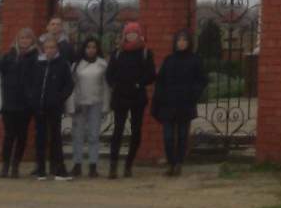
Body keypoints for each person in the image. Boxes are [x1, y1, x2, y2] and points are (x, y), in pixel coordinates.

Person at [150, 29, 206, 177]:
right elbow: (160, 81)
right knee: (168, 137)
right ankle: (170, 163)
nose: (181, 43)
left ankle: (179, 163)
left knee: (182, 136)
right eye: (179, 40)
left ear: (189, 43)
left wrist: (193, 95)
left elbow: (201, 81)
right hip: (168, 104)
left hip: (185, 104)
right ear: (175, 43)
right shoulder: (169, 60)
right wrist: (159, 99)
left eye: (184, 40)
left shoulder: (195, 60)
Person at [105, 21, 155, 178]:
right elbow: (109, 73)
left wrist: (139, 83)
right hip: (120, 96)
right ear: (124, 35)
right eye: (128, 33)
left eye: (134, 33)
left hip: (137, 97)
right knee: (117, 130)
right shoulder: (118, 53)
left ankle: (128, 164)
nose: (131, 35)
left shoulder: (145, 53)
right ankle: (113, 165)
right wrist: (114, 85)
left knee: (136, 131)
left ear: (139, 34)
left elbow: (151, 74)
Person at [24, 33, 75, 181]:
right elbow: (28, 82)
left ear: (56, 48)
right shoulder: (36, 63)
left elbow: (69, 84)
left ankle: (58, 169)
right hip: (39, 106)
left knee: (56, 138)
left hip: (54, 107)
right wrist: (32, 98)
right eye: (47, 47)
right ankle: (40, 169)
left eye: (52, 47)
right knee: (40, 137)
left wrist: (59, 98)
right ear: (43, 49)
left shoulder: (62, 63)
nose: (49, 50)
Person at [0, 28, 38, 178]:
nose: (24, 41)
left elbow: (36, 80)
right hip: (9, 102)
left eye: (27, 38)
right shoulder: (8, 57)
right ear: (17, 40)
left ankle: (16, 165)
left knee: (22, 136)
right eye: (22, 38)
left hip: (26, 105)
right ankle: (5, 165)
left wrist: (32, 97)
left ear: (32, 41)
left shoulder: (36, 58)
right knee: (9, 135)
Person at [70, 36, 108, 179]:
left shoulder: (102, 64)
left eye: (93, 47)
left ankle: (93, 165)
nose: (91, 50)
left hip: (96, 103)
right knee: (78, 135)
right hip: (80, 103)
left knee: (93, 135)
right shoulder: (76, 65)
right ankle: (77, 164)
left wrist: (106, 105)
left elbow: (106, 87)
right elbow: (72, 86)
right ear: (84, 48)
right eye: (88, 47)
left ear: (97, 49)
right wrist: (72, 104)